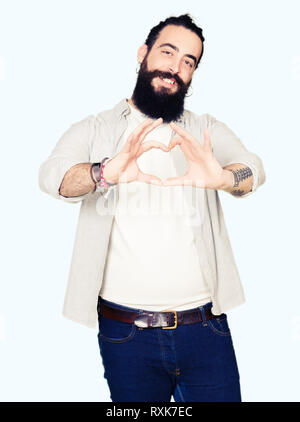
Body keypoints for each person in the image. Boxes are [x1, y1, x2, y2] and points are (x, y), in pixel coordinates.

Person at [38, 14, 266, 402]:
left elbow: (253, 169)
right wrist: (103, 171)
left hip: (205, 330)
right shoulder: (96, 129)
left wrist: (223, 178)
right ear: (144, 54)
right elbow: (53, 178)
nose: (176, 68)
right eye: (168, 52)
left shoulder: (204, 130)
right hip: (125, 333)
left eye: (189, 62)